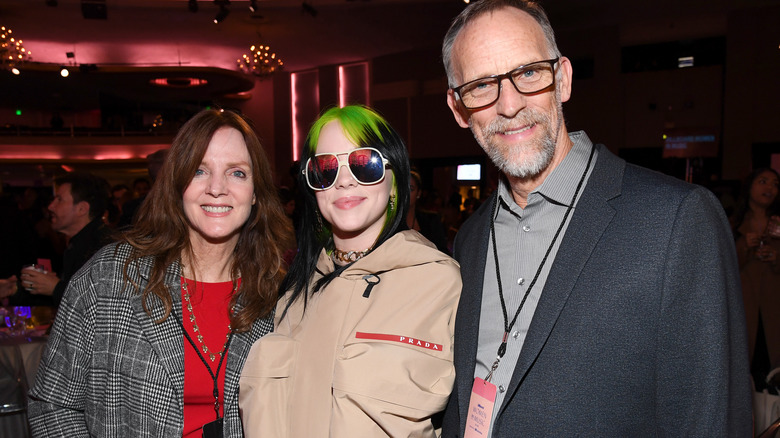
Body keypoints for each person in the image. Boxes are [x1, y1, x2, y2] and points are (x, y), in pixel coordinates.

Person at [439, 1, 752, 435]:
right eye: (481, 85)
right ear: (458, 108)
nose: (508, 105)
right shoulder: (471, 238)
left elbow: (711, 420)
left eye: (529, 73)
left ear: (562, 79)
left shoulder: (676, 221)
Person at [27, 109, 293, 437]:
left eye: (237, 173)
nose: (217, 188)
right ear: (177, 184)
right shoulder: (109, 276)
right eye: (199, 171)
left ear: (255, 192)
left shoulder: (279, 293)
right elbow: (52, 404)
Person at [239, 105, 461, 437]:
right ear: (314, 188)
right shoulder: (294, 291)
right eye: (325, 169)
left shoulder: (438, 282)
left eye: (364, 165)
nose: (343, 181)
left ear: (395, 178)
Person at [0, 172, 113, 308]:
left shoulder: (105, 246)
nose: (51, 206)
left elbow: (103, 305)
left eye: (59, 200)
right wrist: (14, 290)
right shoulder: (77, 244)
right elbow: (57, 300)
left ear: (82, 208)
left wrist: (56, 287)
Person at [730, 168, 780, 389]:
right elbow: (722, 265)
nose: (770, 188)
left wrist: (777, 256)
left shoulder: (778, 223)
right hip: (744, 306)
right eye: (763, 181)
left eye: (775, 184)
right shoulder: (732, 223)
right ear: (749, 186)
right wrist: (743, 247)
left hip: (774, 307)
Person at [407, 169, 450, 253]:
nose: (406, 193)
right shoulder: (387, 222)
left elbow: (443, 252)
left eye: (411, 189)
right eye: (402, 188)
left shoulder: (431, 220)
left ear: (418, 193)